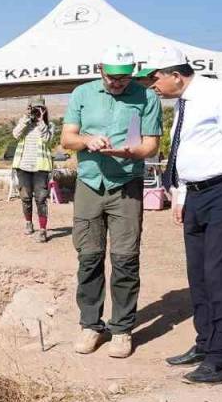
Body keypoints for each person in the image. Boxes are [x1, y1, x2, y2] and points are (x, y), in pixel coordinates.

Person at [137, 46, 222, 384]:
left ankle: (220, 359)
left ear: (176, 75)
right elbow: (186, 150)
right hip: (195, 197)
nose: (151, 85)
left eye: (154, 78)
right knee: (200, 276)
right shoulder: (184, 103)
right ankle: (205, 342)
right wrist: (179, 195)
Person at [60, 45, 162, 359]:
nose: (118, 83)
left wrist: (129, 152)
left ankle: (122, 329)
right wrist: (87, 142)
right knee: (89, 258)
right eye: (112, 77)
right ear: (100, 68)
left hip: (126, 185)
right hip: (90, 182)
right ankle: (91, 325)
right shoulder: (82, 94)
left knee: (125, 259)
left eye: (124, 77)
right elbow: (67, 139)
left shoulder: (148, 98)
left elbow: (151, 145)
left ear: (133, 72)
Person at [12, 95, 56, 243]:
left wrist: (41, 122)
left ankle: (43, 230)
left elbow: (48, 140)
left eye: (40, 108)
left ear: (44, 109)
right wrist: (25, 118)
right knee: (25, 197)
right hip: (23, 166)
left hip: (40, 168)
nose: (37, 111)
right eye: (34, 108)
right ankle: (28, 223)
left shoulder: (49, 126)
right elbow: (15, 134)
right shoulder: (24, 124)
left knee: (41, 198)